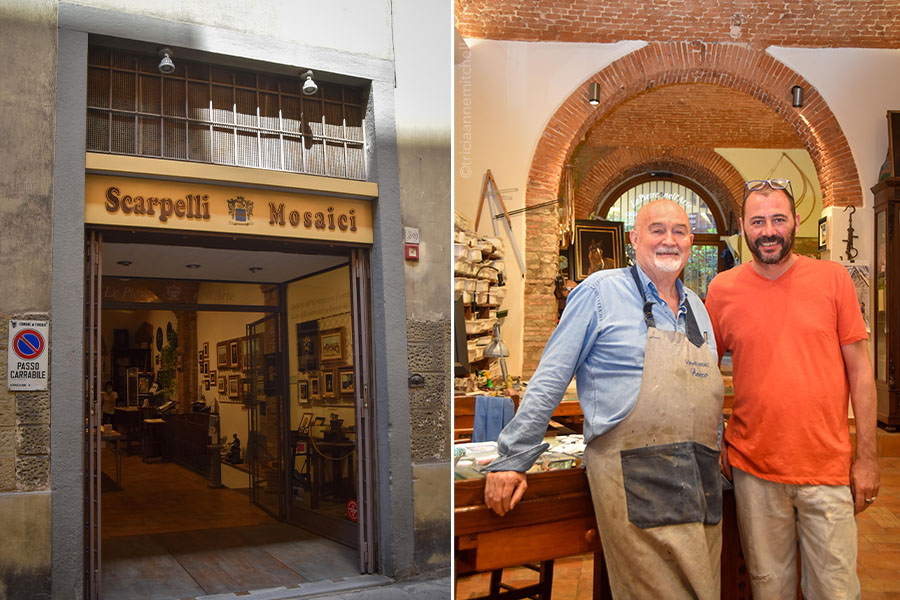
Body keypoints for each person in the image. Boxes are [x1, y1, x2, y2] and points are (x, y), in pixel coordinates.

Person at [484, 199, 724, 599]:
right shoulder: (599, 292)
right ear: (634, 238)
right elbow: (550, 377)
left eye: (679, 231)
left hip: (699, 481)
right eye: (657, 230)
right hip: (634, 479)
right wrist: (513, 458)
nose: (669, 240)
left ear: (691, 241)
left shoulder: (697, 307)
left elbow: (708, 388)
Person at [705, 178, 879, 599]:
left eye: (778, 219)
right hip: (754, 471)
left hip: (827, 469)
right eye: (758, 221)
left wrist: (868, 459)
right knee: (769, 589)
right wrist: (716, 439)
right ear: (743, 227)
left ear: (796, 222)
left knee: (836, 591)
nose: (768, 230)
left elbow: (861, 373)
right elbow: (703, 376)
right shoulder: (722, 290)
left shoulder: (833, 279)